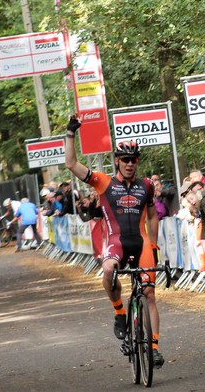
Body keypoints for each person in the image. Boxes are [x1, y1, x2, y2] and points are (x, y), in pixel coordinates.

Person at [64, 115, 164, 368]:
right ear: (117, 161)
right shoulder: (103, 182)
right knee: (108, 270)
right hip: (116, 242)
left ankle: (153, 347)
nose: (130, 164)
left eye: (133, 160)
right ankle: (120, 312)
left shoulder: (147, 186)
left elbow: (152, 215)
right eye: (125, 160)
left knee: (150, 294)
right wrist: (70, 134)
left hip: (141, 244)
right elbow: (71, 163)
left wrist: (154, 242)